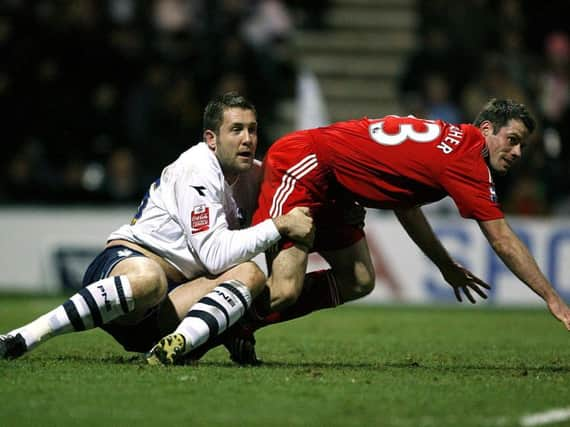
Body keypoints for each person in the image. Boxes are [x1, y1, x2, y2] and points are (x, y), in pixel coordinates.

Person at [0, 92, 314, 364]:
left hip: (166, 307)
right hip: (125, 269)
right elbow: (216, 255)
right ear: (211, 139)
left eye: (252, 130)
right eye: (236, 130)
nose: (248, 139)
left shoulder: (253, 177)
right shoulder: (197, 167)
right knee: (150, 280)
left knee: (251, 274)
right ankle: (23, 337)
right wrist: (280, 225)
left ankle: (175, 348)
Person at [240, 98, 570, 355]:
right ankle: (206, 322)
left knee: (358, 280)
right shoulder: (467, 158)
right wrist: (552, 297)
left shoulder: (451, 143)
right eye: (512, 140)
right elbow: (502, 240)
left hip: (333, 187)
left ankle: (234, 326)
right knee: (284, 290)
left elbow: (406, 207)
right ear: (486, 129)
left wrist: (444, 265)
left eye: (522, 146)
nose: (516, 152)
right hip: (303, 163)